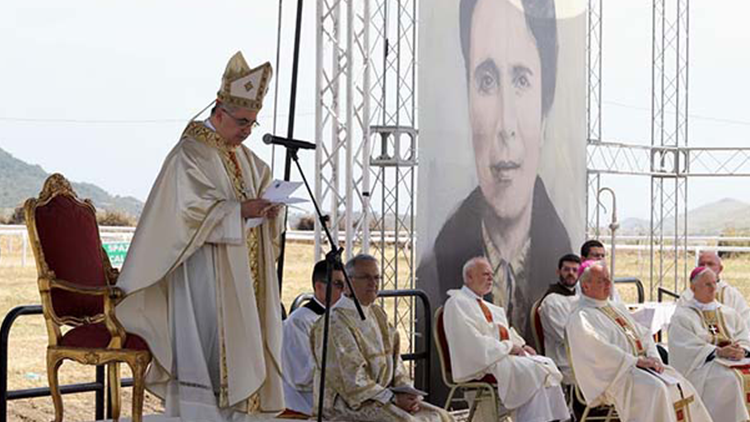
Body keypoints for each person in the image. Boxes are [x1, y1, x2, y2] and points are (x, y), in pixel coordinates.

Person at [115, 52, 285, 420]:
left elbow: (259, 194)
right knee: (211, 353)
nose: (246, 130)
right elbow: (187, 214)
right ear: (219, 111)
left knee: (243, 347)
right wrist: (240, 210)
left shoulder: (250, 160)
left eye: (253, 124)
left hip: (243, 275)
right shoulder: (188, 154)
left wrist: (271, 209)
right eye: (242, 121)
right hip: (203, 276)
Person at [416, 0, 571, 340]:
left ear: (545, 109)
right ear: (468, 100)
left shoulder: (567, 263)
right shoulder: (433, 270)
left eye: (521, 80)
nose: (506, 125)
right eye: (486, 80)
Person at [311, 254, 454, 422]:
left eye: (377, 277)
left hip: (385, 397)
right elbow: (350, 379)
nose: (373, 283)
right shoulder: (333, 324)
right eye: (365, 277)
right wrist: (391, 398)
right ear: (347, 284)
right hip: (347, 406)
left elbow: (396, 362)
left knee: (442, 416)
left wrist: (406, 393)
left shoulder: (378, 314)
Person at [566, 261, 712, 422]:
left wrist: (653, 356)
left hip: (638, 368)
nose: (609, 284)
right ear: (586, 286)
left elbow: (643, 334)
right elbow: (599, 352)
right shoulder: (581, 317)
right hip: (615, 376)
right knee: (657, 390)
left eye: (608, 278)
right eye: (601, 281)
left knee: (680, 384)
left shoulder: (614, 308)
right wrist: (636, 361)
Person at [443, 257, 569, 422]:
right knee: (533, 370)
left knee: (544, 364)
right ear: (469, 277)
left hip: (498, 357)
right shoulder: (457, 303)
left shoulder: (488, 306)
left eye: (491, 274)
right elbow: (472, 343)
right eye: (485, 274)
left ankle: (549, 419)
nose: (490, 278)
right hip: (482, 362)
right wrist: (510, 347)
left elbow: (505, 333)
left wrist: (522, 346)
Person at [669, 266, 750, 422]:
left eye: (715, 283)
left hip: (735, 361)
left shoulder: (728, 313)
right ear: (693, 288)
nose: (714, 288)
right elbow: (684, 349)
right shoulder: (683, 316)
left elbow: (744, 336)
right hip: (703, 367)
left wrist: (743, 350)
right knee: (731, 380)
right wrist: (718, 352)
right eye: (708, 284)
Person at [281, 260, 345, 416]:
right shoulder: (299, 322)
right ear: (319, 287)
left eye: (345, 285)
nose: (343, 291)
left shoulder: (343, 318)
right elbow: (302, 375)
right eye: (338, 284)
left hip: (341, 394)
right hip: (308, 401)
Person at [537, 253, 580, 383]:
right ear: (558, 271)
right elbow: (565, 336)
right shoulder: (552, 301)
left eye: (575, 270)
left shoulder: (579, 297)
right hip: (564, 360)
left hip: (579, 354)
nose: (571, 273)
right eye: (566, 269)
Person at [681, 251, 750, 324]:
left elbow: (745, 321)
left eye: (710, 264)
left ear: (720, 269)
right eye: (701, 265)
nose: (706, 268)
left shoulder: (731, 295)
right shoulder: (688, 295)